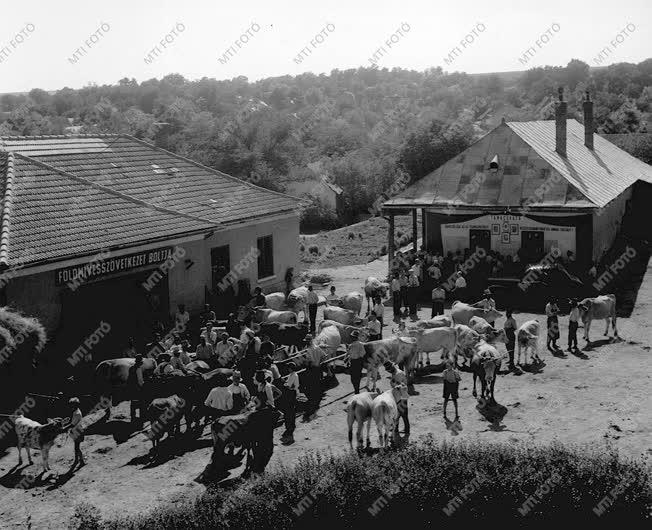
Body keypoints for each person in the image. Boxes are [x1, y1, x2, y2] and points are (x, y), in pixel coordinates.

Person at [302, 336, 324, 421]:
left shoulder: (309, 350)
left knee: (311, 384)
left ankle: (312, 400)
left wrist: (305, 363)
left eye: (306, 341)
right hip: (318, 368)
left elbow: (309, 361)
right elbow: (323, 356)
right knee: (317, 382)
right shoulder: (317, 348)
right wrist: (319, 362)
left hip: (312, 369)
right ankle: (317, 399)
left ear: (309, 342)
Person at [384, 361, 409, 434]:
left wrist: (394, 383)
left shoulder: (398, 374)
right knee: (397, 413)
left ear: (391, 368)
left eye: (388, 370)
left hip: (401, 396)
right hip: (398, 396)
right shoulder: (394, 373)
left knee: (403, 414)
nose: (388, 372)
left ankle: (406, 430)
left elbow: (401, 385)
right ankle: (396, 428)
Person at [281, 362, 299, 443]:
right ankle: (291, 425)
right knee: (290, 410)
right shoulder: (292, 375)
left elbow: (288, 385)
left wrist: (284, 384)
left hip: (291, 393)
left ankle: (290, 426)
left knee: (289, 410)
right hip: (291, 392)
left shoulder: (293, 375)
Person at [66, 397, 85, 468]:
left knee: (77, 448)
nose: (71, 407)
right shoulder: (76, 411)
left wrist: (64, 428)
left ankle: (81, 461)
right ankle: (77, 460)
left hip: (78, 432)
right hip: (77, 430)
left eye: (72, 405)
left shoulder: (77, 414)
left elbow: (72, 424)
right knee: (76, 447)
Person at [130, 355, 146, 424]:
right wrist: (143, 385)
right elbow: (140, 381)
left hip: (132, 387)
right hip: (137, 388)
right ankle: (141, 419)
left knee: (133, 403)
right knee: (141, 403)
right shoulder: (138, 369)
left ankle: (133, 418)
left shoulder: (131, 368)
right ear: (140, 362)